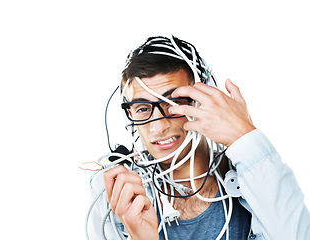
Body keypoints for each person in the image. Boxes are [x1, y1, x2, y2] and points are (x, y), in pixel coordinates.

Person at [86, 36, 310, 240]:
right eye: (143, 108)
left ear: (201, 99)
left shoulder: (250, 176)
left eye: (174, 102)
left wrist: (244, 136)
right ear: (129, 114)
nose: (158, 126)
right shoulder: (116, 189)